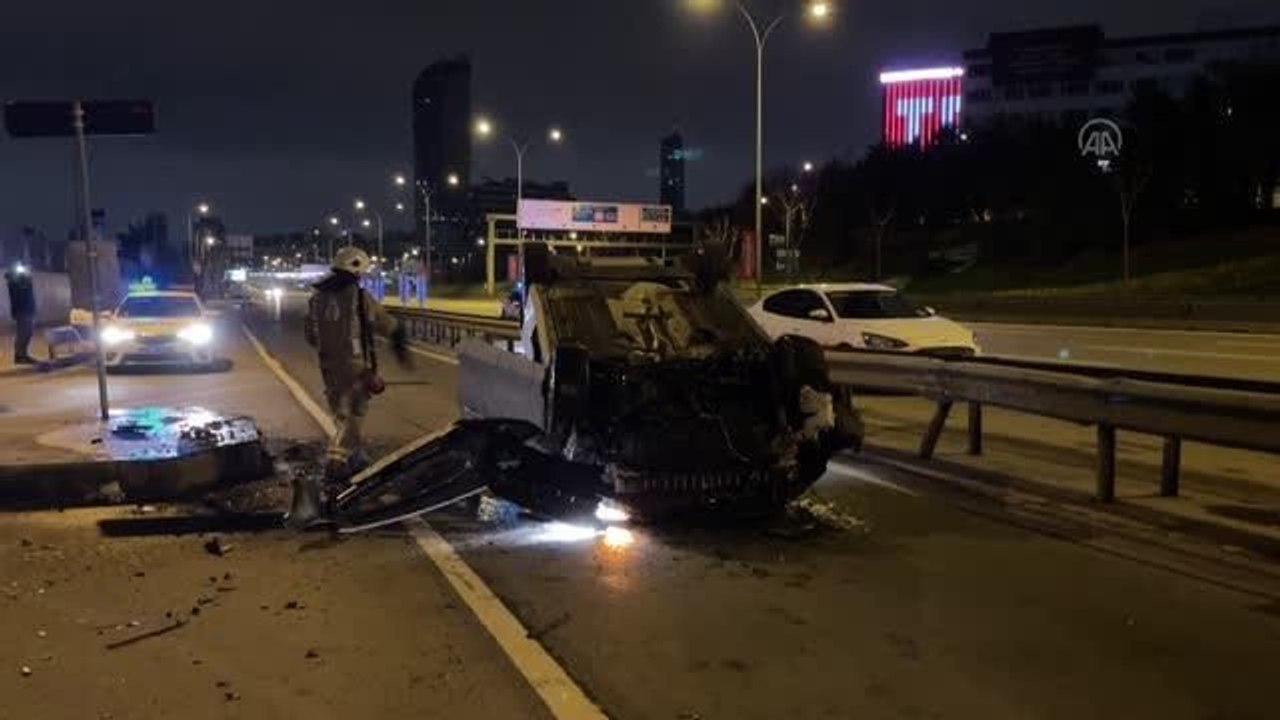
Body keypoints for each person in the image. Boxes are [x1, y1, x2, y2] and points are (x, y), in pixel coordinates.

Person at [289, 247, 411, 528]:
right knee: (352, 416)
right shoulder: (359, 297)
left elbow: (311, 335)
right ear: (357, 270)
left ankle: (356, 459)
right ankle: (336, 463)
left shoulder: (316, 299)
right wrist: (398, 336)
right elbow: (385, 323)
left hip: (328, 366)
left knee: (341, 412)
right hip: (355, 367)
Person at [5, 262, 36, 365]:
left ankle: (23, 354)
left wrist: (27, 275)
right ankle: (19, 356)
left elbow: (29, 284)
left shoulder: (26, 282)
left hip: (29, 309)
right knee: (23, 333)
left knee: (28, 333)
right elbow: (8, 277)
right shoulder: (15, 283)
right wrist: (17, 274)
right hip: (21, 310)